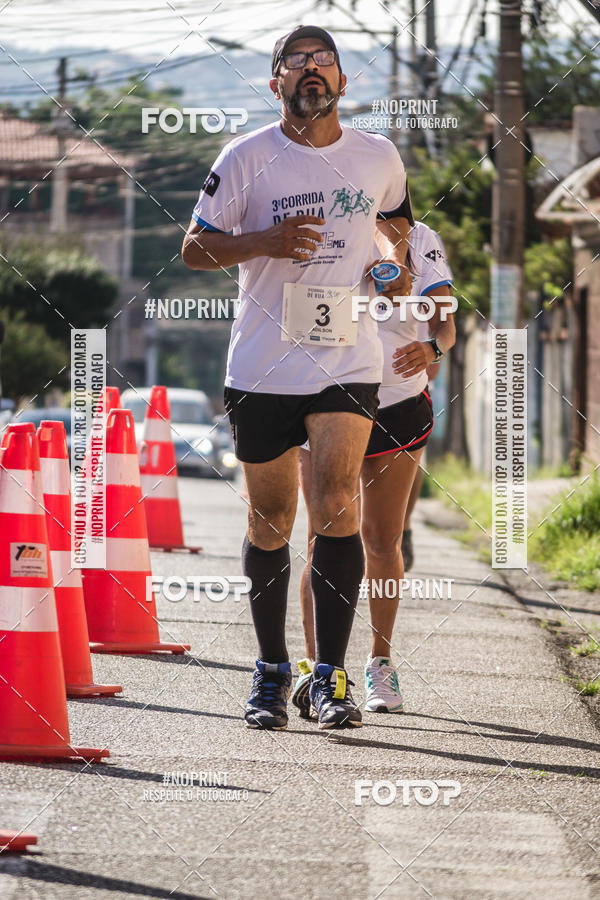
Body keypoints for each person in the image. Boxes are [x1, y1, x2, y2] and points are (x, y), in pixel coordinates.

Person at [182, 25, 413, 730]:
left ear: (344, 81)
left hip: (348, 359)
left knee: (338, 503)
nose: (313, 71)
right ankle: (270, 670)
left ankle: (331, 679)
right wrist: (265, 242)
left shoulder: (378, 156)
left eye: (326, 62)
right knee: (272, 518)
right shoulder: (246, 157)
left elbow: (398, 231)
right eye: (298, 63)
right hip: (262, 365)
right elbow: (194, 248)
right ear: (276, 80)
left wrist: (393, 270)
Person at [294, 221, 455, 715]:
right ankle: (317, 669)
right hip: (325, 399)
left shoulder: (421, 239)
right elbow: (297, 316)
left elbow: (446, 322)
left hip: (398, 406)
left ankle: (379, 664)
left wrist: (433, 348)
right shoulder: (322, 228)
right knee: (323, 536)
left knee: (382, 540)